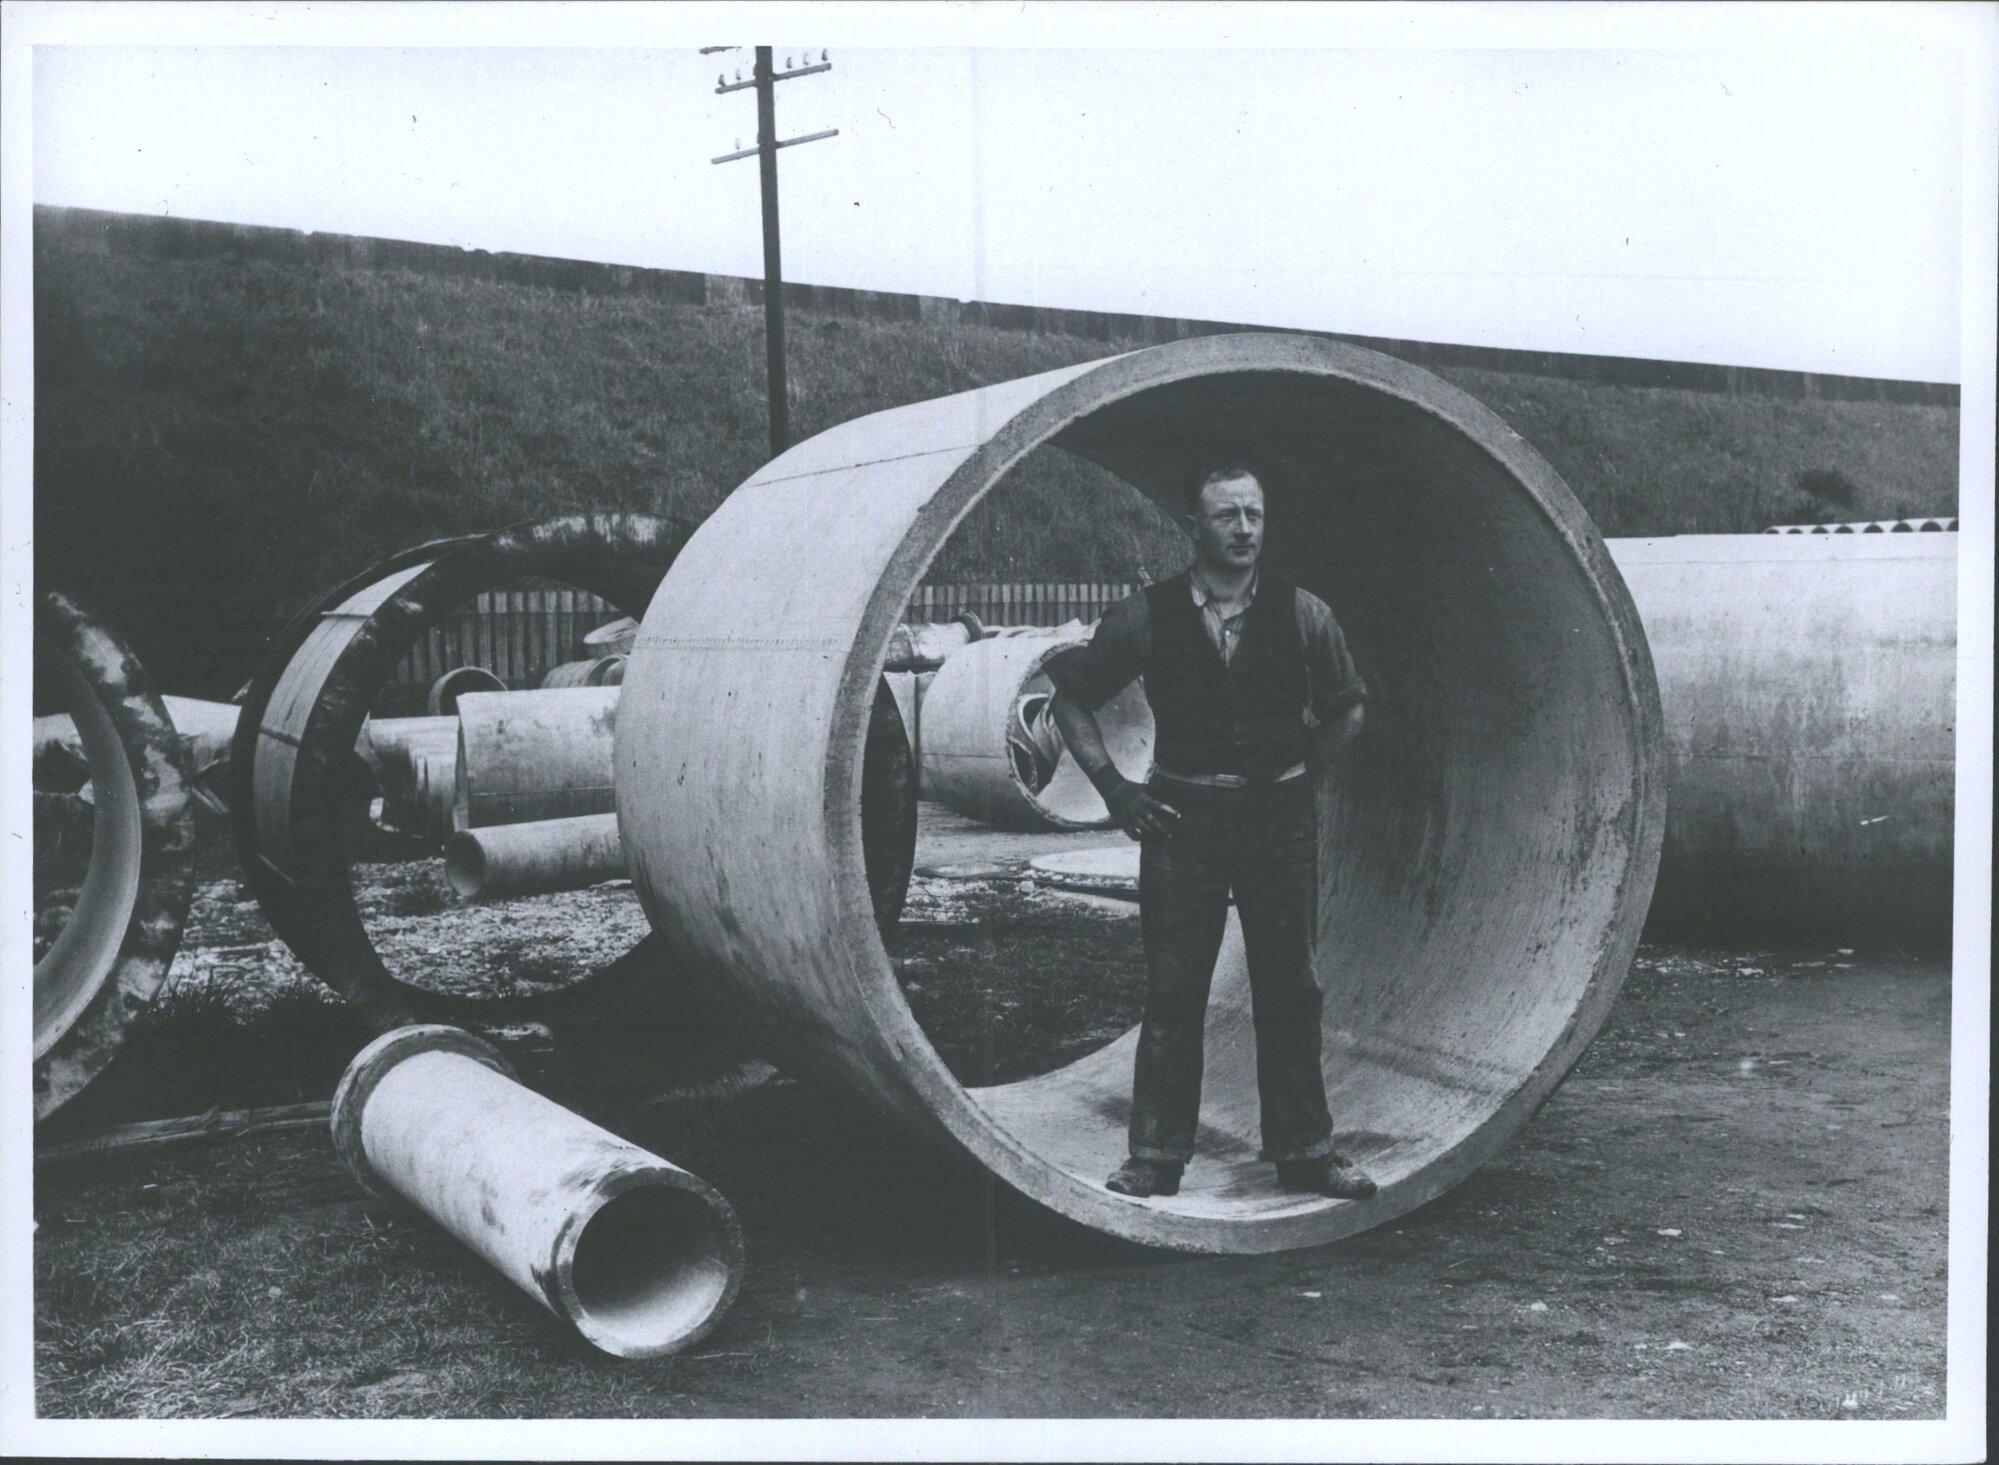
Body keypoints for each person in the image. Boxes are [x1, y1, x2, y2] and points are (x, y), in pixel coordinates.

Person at [1046, 462, 1376, 1201]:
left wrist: (1293, 777)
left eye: (1254, 514)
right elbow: (1071, 699)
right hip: (1180, 818)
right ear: (1194, 526)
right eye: (1226, 515)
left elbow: (1346, 708)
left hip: (1276, 822)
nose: (1243, 530)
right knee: (1173, 987)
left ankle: (1305, 1150)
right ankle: (1156, 1155)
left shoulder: (1302, 613)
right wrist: (1115, 790)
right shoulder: (1146, 614)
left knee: (1290, 984)